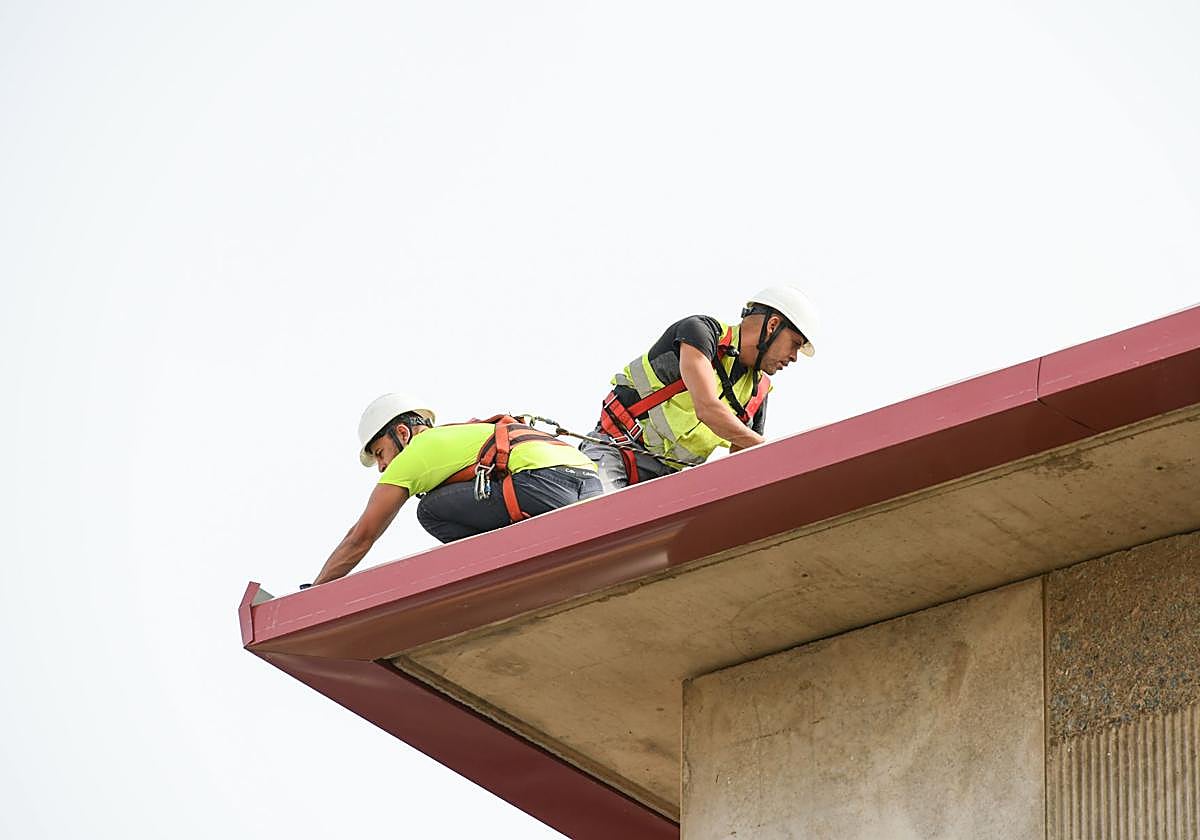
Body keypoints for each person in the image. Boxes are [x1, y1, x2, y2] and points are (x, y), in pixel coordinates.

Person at [309, 394, 602, 585]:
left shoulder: (417, 452)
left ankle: (502, 572)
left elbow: (361, 536)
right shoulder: (459, 436)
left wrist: (317, 588)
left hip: (543, 485)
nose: (382, 466)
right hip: (589, 483)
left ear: (401, 433)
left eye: (380, 452)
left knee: (430, 510)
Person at [580, 286, 820, 491]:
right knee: (598, 521)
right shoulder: (701, 333)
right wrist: (773, 452)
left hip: (666, 484)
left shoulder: (757, 393)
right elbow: (707, 408)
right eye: (795, 344)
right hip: (616, 451)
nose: (794, 357)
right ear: (773, 326)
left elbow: (741, 463)